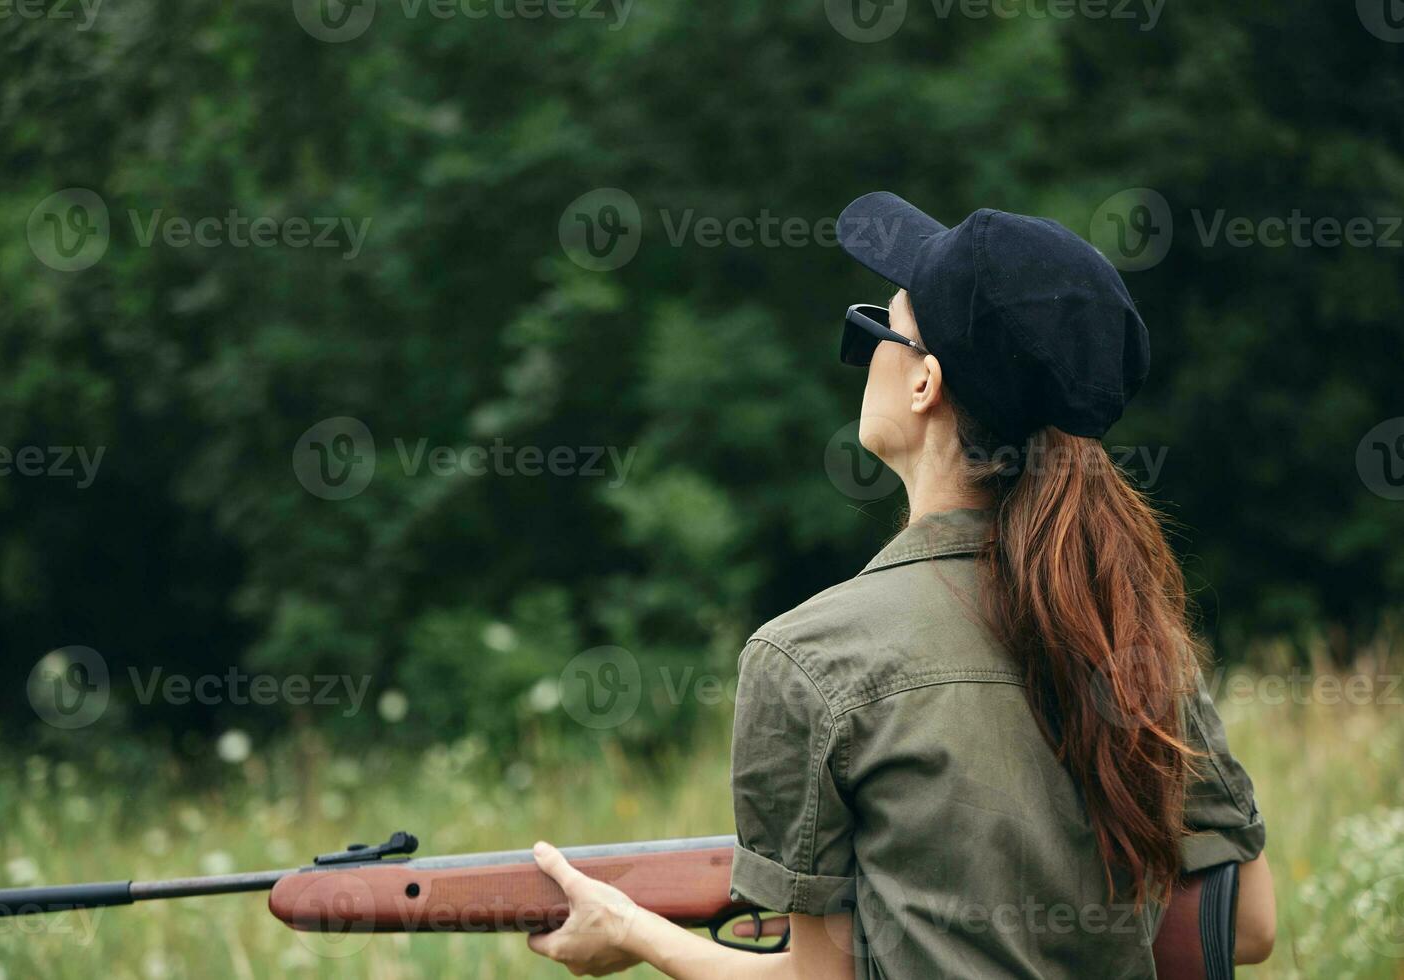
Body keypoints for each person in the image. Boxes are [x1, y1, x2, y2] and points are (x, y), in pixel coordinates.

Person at [525, 193, 1276, 978]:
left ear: (925, 384)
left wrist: (633, 931)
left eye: (873, 330)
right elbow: (1247, 924)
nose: (862, 354)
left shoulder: (808, 656)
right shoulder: (1130, 627)